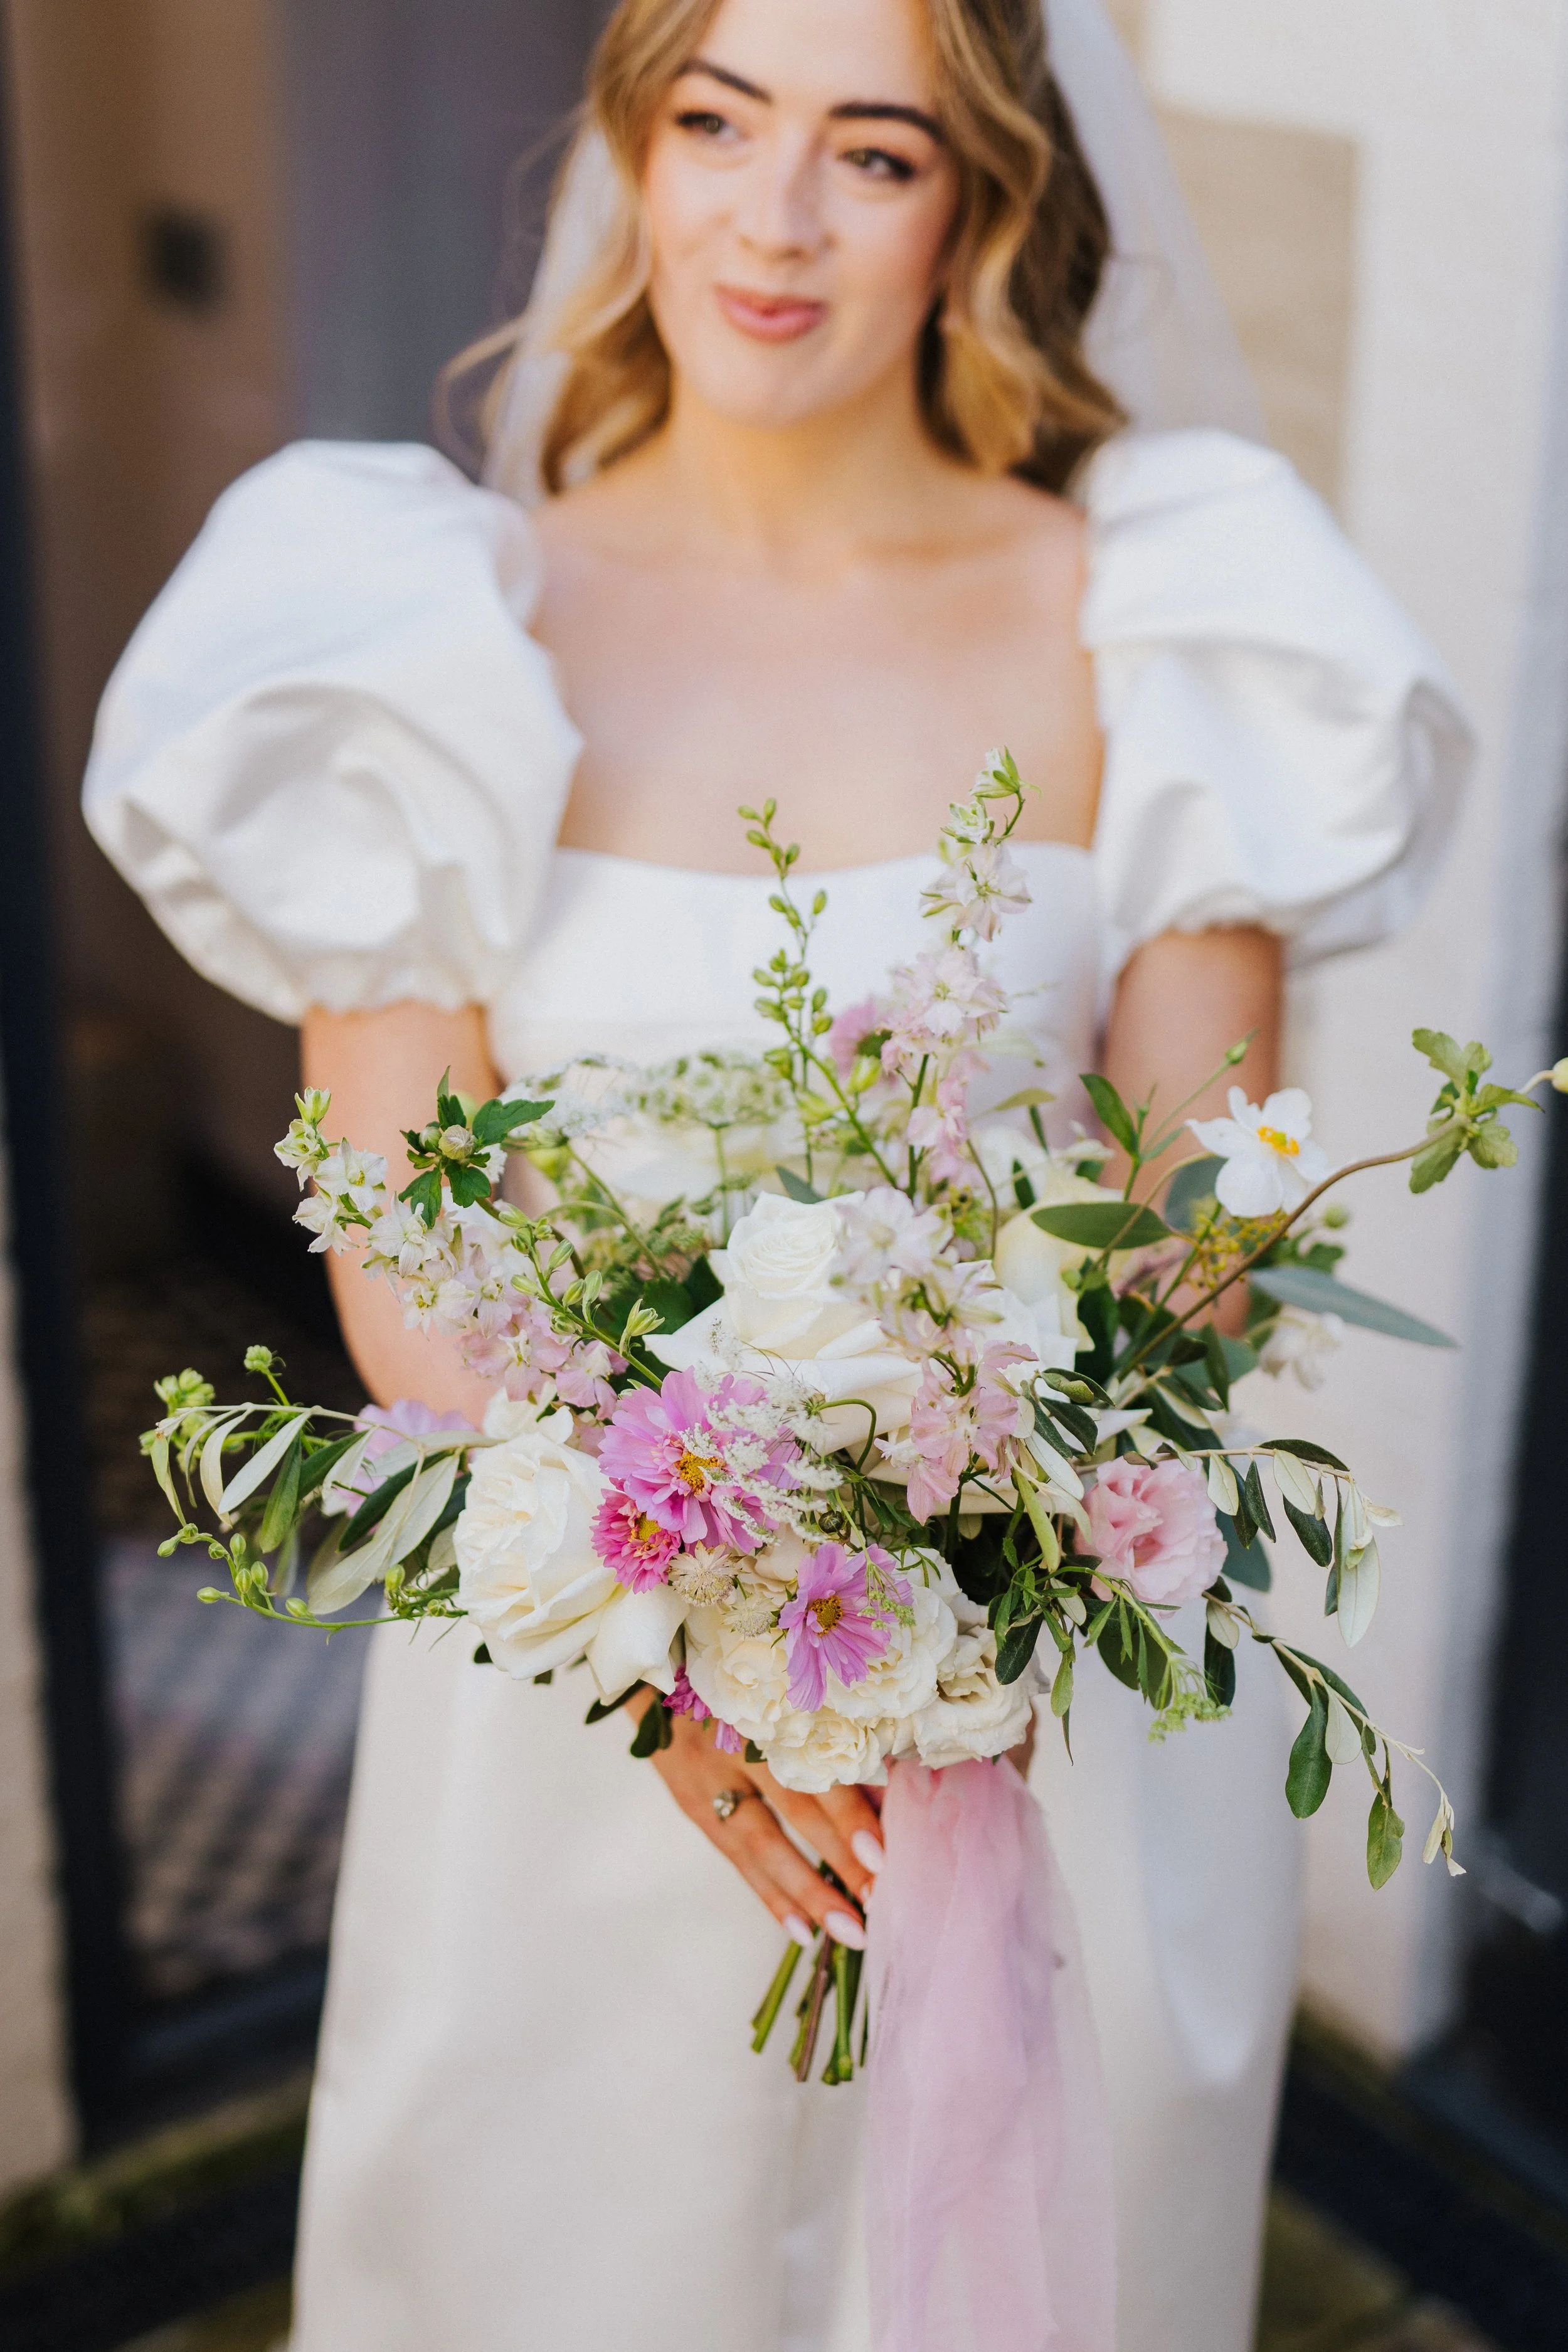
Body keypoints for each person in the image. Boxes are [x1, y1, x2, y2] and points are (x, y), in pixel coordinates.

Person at [83, 0, 1470, 2344]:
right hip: (587, 1674)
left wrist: (968, 1513)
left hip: (1040, 1675)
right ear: (635, 139)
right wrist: (683, 1669)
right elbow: (409, 1246)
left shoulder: (1158, 603)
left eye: (875, 149)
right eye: (716, 120)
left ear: (985, 201)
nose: (775, 214)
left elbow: (1204, 1195)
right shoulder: (422, 623)